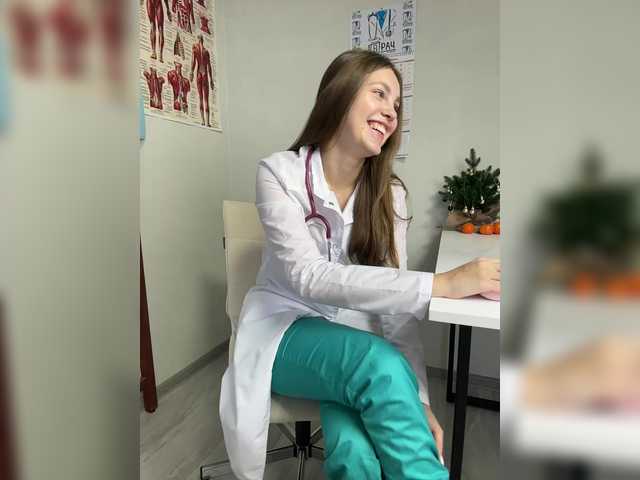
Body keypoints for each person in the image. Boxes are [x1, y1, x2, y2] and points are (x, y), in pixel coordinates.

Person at [219, 49, 501, 480]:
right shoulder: (278, 174)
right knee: (377, 366)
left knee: (355, 453)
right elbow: (308, 277)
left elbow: (397, 315)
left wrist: (418, 399)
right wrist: (442, 284)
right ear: (340, 92)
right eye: (380, 93)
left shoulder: (390, 194)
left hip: (348, 342)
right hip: (283, 331)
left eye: (397, 105)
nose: (391, 112)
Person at [189, 35, 214, 127]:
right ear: (203, 40)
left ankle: (204, 121)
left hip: (200, 74)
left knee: (201, 98)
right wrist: (211, 80)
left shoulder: (196, 49)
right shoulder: (205, 51)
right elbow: (208, 66)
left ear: (199, 40)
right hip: (204, 75)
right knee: (205, 98)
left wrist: (191, 72)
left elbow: (193, 62)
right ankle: (207, 122)